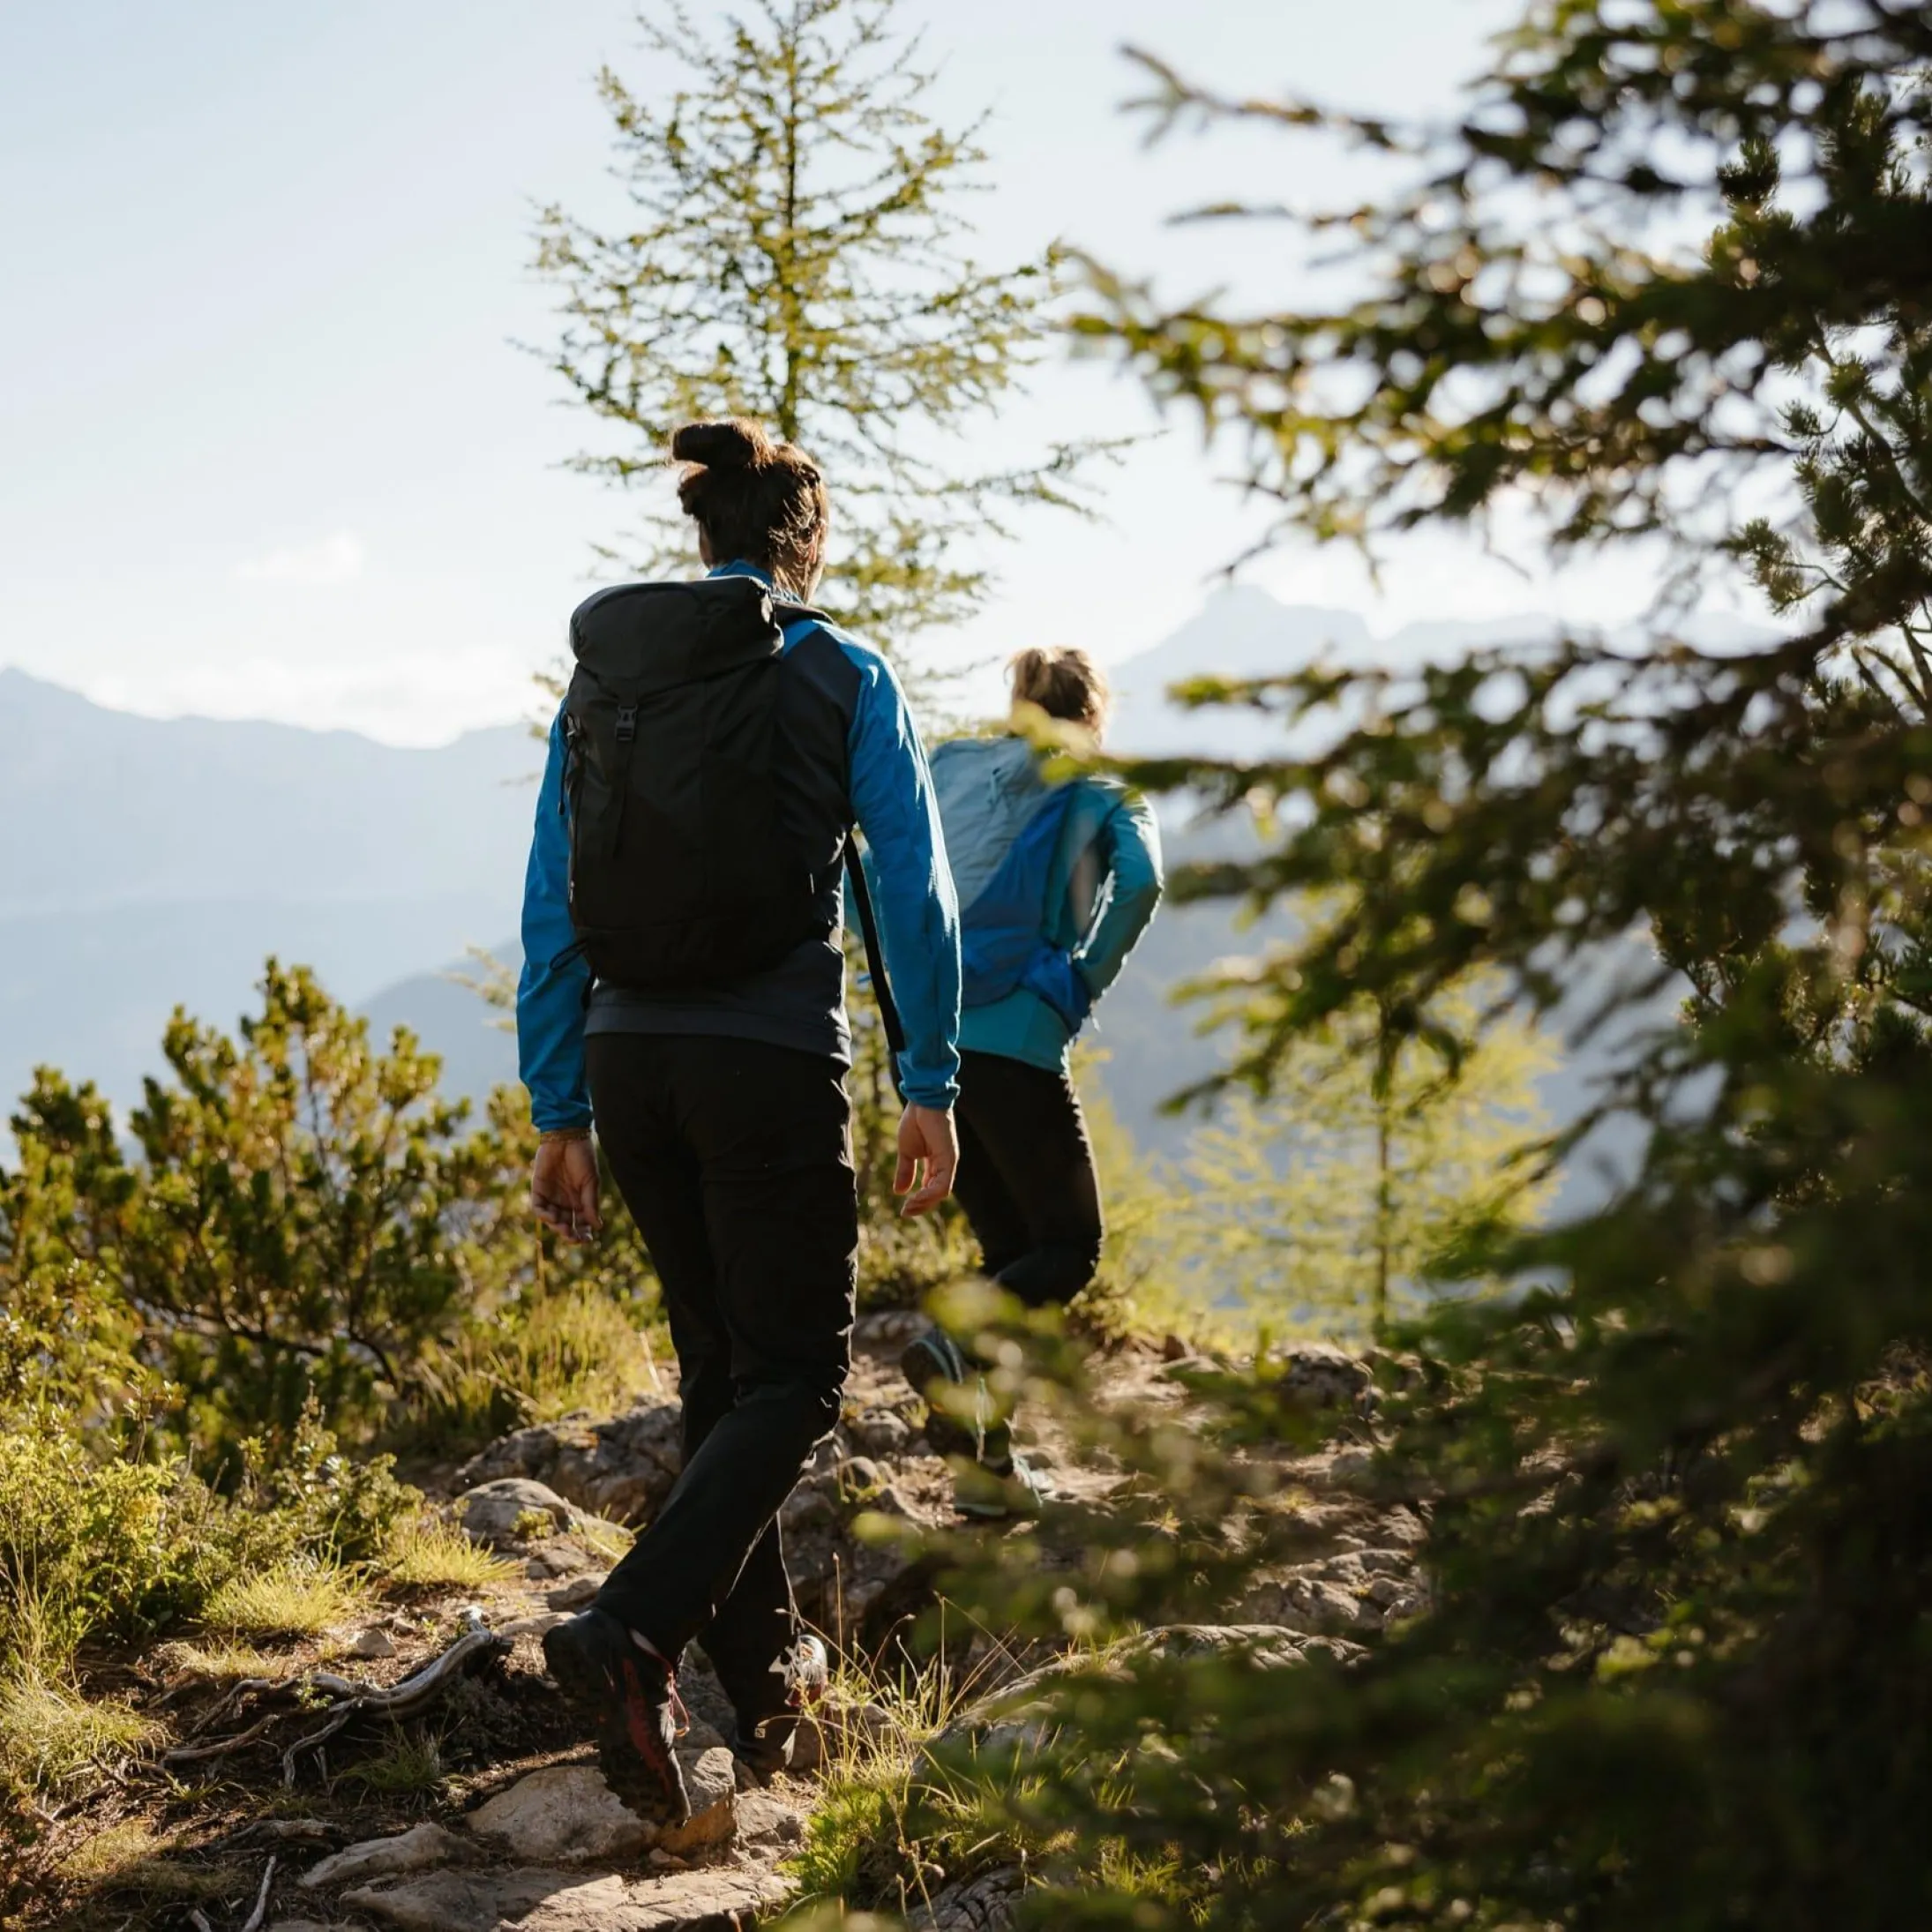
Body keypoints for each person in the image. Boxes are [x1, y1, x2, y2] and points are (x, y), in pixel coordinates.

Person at [516, 416, 962, 1824]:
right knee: (795, 1381)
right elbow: (911, 888)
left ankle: (772, 1697)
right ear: (803, 543)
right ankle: (629, 1631)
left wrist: (560, 1103)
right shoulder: (837, 667)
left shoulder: (605, 681)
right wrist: (931, 1078)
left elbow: (549, 892)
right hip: (765, 1057)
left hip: (627, 1057)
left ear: (700, 537)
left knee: (722, 1375)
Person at [902, 648, 1162, 1514]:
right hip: (1017, 1033)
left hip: (934, 1041)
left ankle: (987, 1480)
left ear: (1016, 706)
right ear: (1094, 713)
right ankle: (949, 1349)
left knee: (1012, 1256)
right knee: (1069, 1247)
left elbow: (896, 867)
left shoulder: (953, 768)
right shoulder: (1098, 781)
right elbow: (1145, 880)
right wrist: (1080, 983)